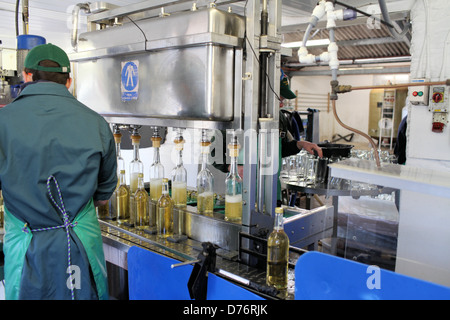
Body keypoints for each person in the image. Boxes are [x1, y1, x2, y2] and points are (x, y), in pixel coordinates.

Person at [0, 44, 117, 300]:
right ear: (69, 81)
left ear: (27, 75)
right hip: (79, 244)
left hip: (26, 249)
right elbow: (104, 195)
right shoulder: (96, 123)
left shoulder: (3, 121)